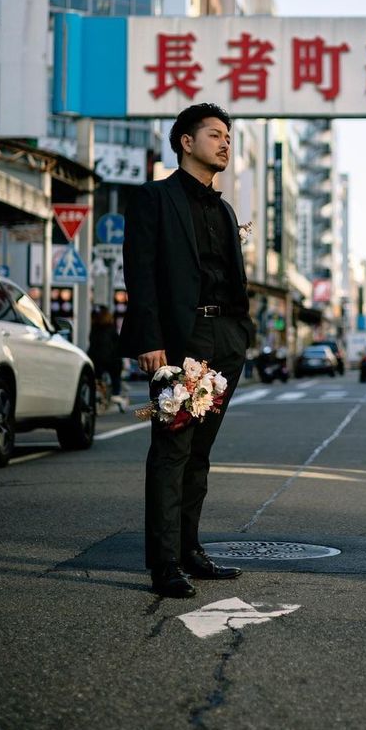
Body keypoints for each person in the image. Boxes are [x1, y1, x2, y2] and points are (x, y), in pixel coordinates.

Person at [120, 102, 255, 598]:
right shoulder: (154, 199)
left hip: (226, 339)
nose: (225, 143)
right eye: (216, 134)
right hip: (180, 340)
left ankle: (189, 548)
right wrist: (149, 340)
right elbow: (141, 273)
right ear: (185, 141)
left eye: (228, 136)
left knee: (201, 450)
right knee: (171, 448)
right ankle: (163, 563)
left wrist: (242, 333)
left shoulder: (224, 208)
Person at [87, 306, 122, 399]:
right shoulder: (111, 328)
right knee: (116, 374)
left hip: (95, 359)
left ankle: (97, 391)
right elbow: (117, 344)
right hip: (111, 359)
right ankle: (116, 393)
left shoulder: (94, 328)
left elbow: (92, 343)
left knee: (96, 376)